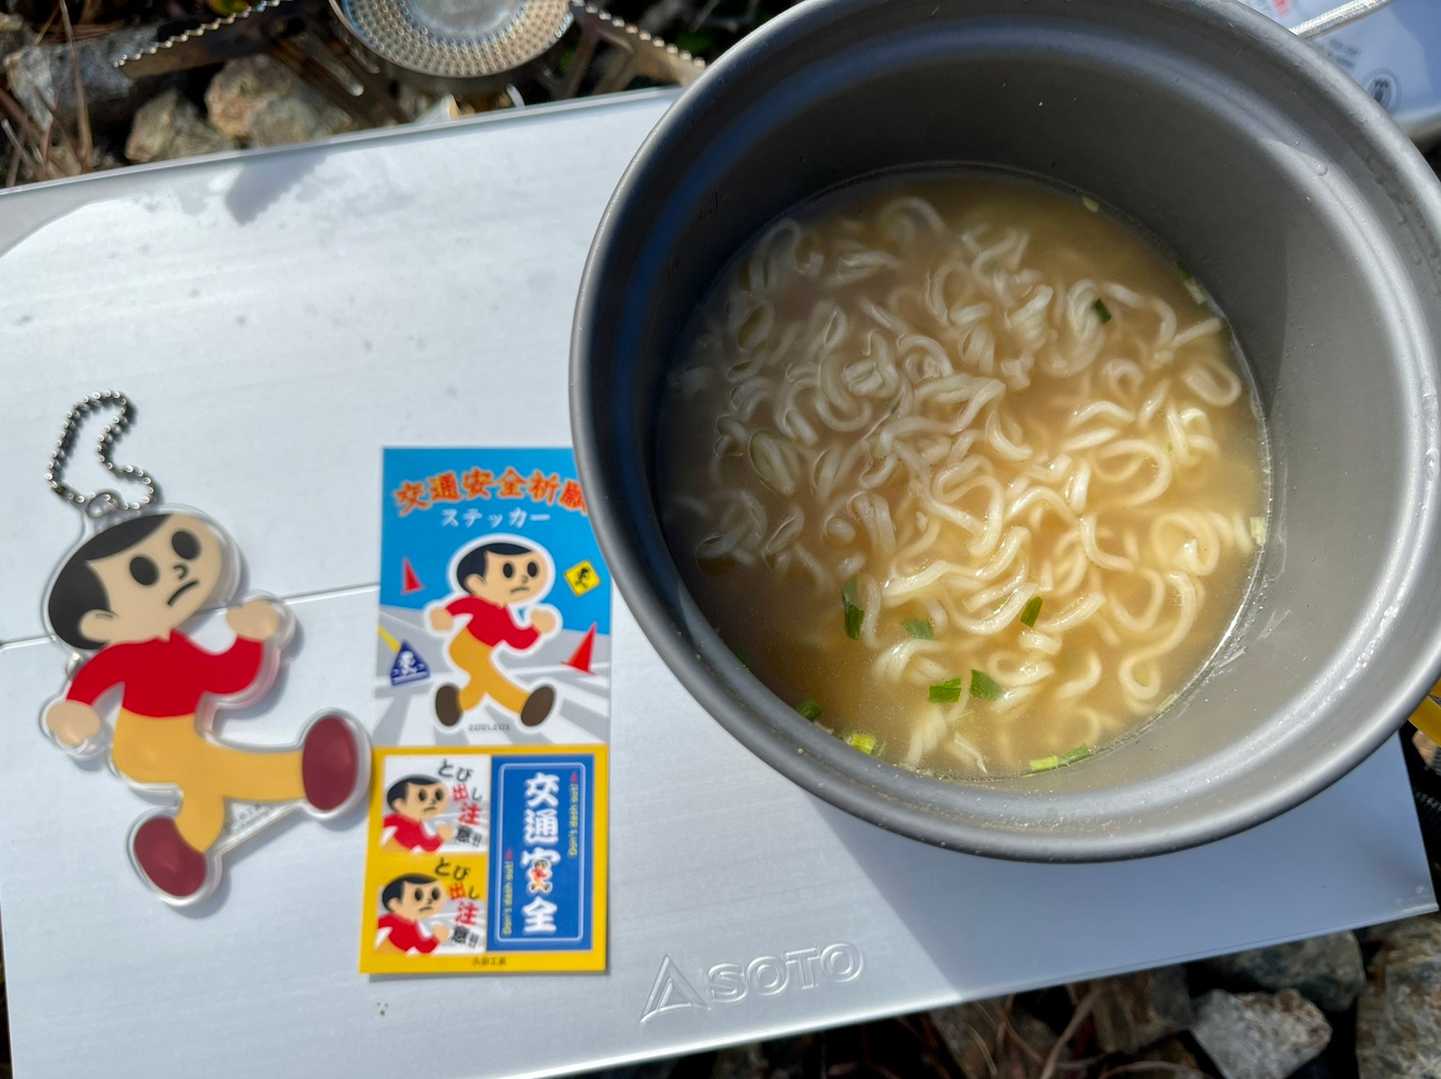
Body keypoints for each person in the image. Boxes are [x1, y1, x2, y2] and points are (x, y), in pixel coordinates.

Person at [40, 511, 364, 902]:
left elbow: (228, 679)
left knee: (205, 789)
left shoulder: (178, 649)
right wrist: (74, 713)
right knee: (217, 768)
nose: (177, 570)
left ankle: (180, 849)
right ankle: (305, 776)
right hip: (144, 750)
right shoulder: (124, 654)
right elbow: (92, 681)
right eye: (145, 573)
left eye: (183, 547)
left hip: (181, 742)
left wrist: (251, 639)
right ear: (100, 623)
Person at [428, 539, 559, 728]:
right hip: (463, 648)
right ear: (477, 583)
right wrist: (445, 615)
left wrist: (536, 629)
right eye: (508, 571)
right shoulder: (481, 604)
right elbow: (462, 605)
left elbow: (518, 640)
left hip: (480, 653)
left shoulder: (504, 615)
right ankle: (522, 704)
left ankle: (455, 705)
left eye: (531, 570)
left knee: (481, 683)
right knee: (490, 677)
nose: (524, 579)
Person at [376, 874, 451, 955]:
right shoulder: (395, 920)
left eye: (435, 895)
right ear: (395, 904)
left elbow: (423, 948)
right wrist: (436, 939)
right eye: (418, 896)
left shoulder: (412, 926)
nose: (429, 901)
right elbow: (423, 948)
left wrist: (436, 939)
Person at [381, 774, 455, 852]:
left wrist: (440, 838)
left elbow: (427, 846)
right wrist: (440, 838)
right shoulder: (399, 819)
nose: (433, 802)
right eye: (422, 797)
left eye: (438, 796)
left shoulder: (418, 826)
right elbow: (427, 846)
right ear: (400, 804)